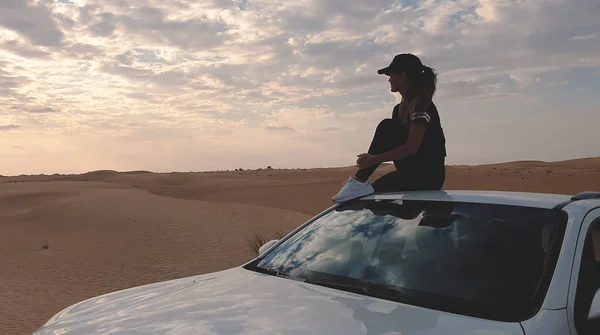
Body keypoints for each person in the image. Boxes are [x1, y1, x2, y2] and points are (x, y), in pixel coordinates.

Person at [332, 53, 447, 203]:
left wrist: (373, 159)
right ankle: (360, 184)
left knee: (386, 126)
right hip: (409, 174)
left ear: (402, 76)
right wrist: (372, 159)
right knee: (373, 199)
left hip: (428, 177)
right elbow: (395, 143)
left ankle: (359, 181)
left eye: (391, 75)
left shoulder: (422, 106)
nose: (389, 79)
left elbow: (411, 148)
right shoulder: (399, 110)